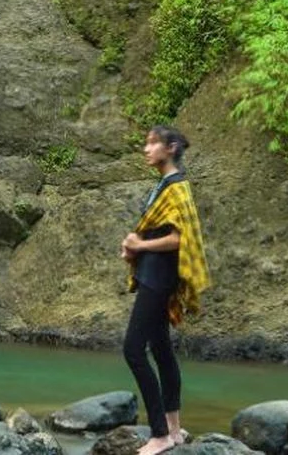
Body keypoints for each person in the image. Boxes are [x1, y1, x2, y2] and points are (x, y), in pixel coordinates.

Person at [120, 125, 210, 455]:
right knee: (160, 350)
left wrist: (140, 245)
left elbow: (178, 239)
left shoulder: (178, 186)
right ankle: (173, 430)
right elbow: (157, 232)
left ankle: (158, 435)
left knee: (132, 349)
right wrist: (135, 247)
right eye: (146, 143)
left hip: (160, 278)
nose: (146, 149)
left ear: (170, 148)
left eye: (153, 143)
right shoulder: (164, 185)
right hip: (153, 274)